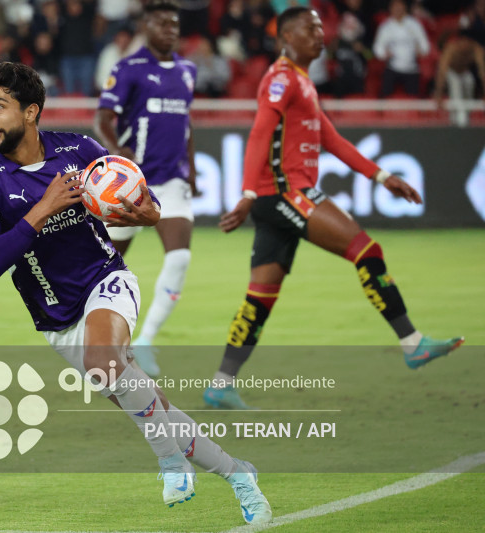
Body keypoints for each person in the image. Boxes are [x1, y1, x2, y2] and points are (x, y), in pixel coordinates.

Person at [0, 61, 271, 524]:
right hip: (56, 318)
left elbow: (143, 200)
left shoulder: (77, 149)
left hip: (106, 281)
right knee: (153, 408)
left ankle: (170, 464)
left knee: (105, 361)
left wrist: (146, 215)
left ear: (31, 112)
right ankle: (239, 474)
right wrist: (40, 211)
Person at [203, 7, 464, 410]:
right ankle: (412, 343)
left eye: (321, 27)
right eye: (310, 29)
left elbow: (333, 139)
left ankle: (221, 383)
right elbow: (259, 133)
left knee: (261, 297)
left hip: (281, 199)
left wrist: (380, 177)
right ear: (287, 38)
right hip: (287, 193)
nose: (321, 34)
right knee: (367, 250)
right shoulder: (280, 78)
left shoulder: (302, 82)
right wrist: (248, 194)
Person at [94, 0, 198, 377]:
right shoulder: (128, 68)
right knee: (106, 266)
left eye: (174, 23)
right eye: (162, 23)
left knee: (180, 257)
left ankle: (146, 340)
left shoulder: (188, 70)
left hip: (171, 180)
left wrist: (193, 168)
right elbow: (104, 118)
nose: (170, 29)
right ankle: (96, 337)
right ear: (145, 27)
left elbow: (185, 123)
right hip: (132, 185)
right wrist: (119, 153)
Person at [372, 0, 430, 97]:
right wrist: (383, 54)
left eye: (400, 7)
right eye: (395, 7)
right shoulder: (385, 26)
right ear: (390, 9)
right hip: (392, 68)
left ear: (404, 8)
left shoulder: (415, 24)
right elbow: (378, 47)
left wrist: (421, 50)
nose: (397, 9)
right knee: (384, 95)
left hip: (411, 68)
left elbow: (425, 45)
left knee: (414, 99)